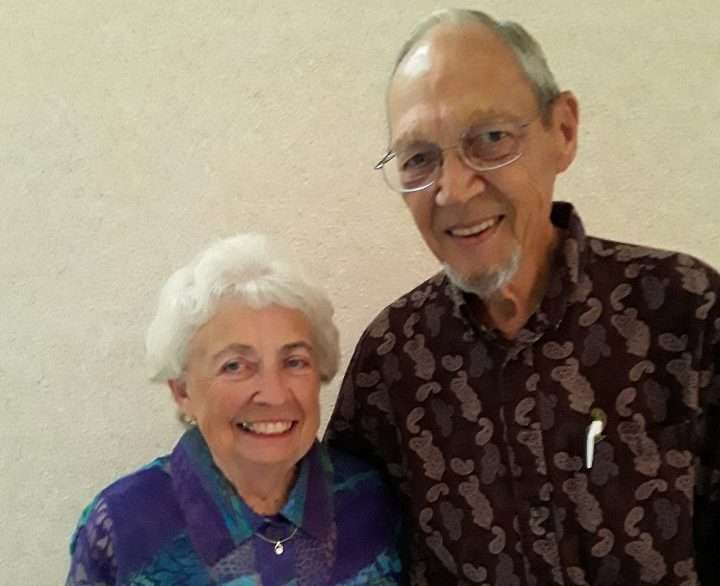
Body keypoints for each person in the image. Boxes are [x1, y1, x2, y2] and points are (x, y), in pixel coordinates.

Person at [325, 8, 719, 585]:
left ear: (563, 131)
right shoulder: (390, 362)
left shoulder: (688, 312)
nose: (453, 190)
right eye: (419, 159)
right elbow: (338, 551)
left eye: (490, 139)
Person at [66, 234, 402, 585]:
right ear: (182, 391)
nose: (273, 395)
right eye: (235, 366)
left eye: (294, 361)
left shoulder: (369, 500)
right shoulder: (122, 525)